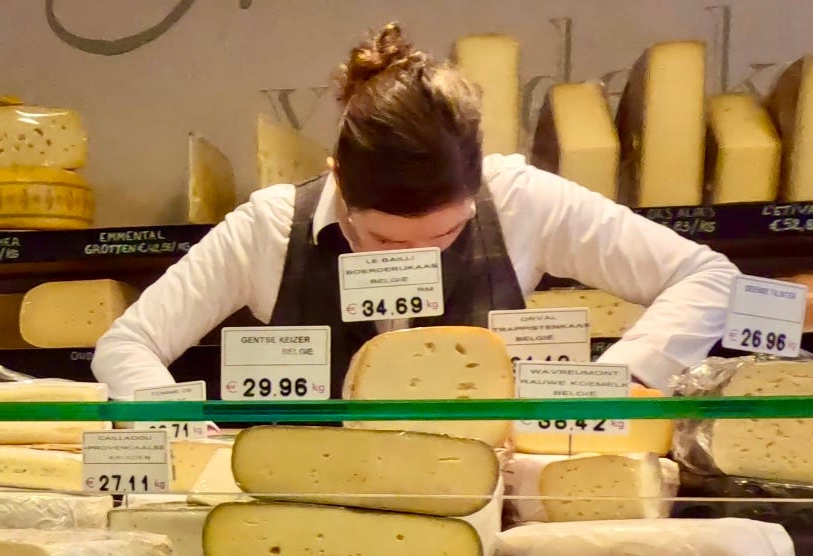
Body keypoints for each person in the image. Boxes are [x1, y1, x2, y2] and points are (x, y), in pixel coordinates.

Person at [92, 23, 738, 398]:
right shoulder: (267, 230)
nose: (421, 260)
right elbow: (129, 343)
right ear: (337, 177)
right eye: (385, 242)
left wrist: (611, 388)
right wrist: (184, 444)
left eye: (449, 232)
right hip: (312, 532)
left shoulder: (519, 200)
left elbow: (709, 276)